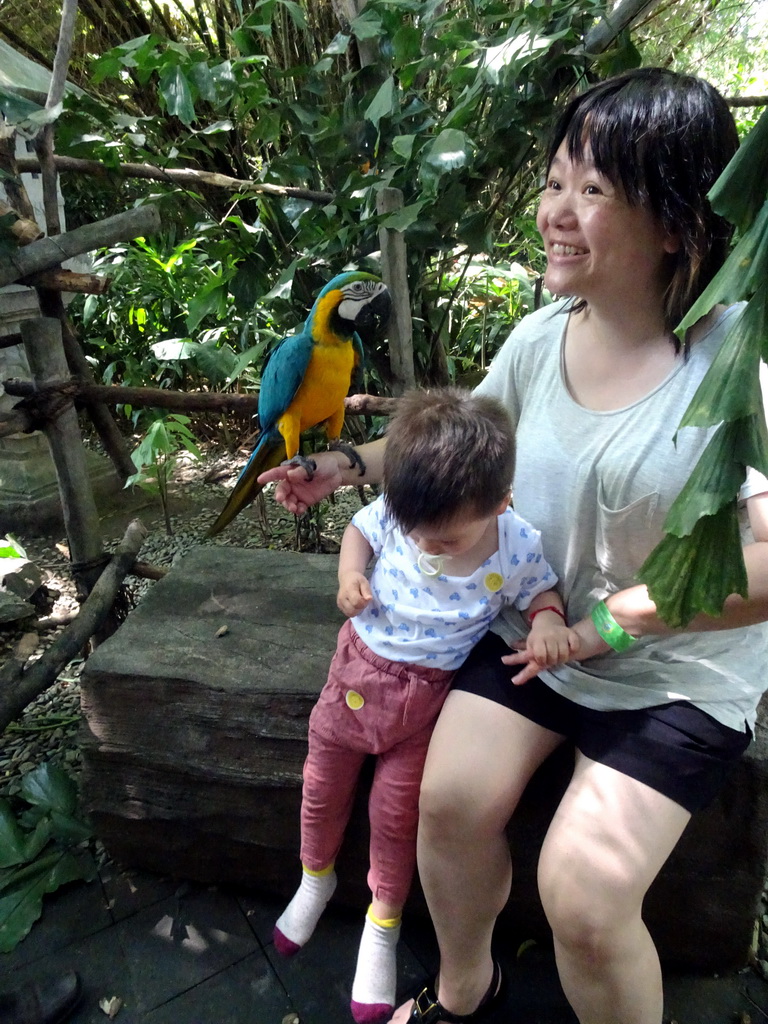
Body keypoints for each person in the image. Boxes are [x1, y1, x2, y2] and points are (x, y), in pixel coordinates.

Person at [260, 67, 768, 1024]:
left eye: (594, 191)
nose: (556, 213)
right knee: (445, 806)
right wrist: (347, 467)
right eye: (555, 182)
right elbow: (453, 446)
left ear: (677, 222)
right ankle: (464, 991)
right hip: (536, 640)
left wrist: (615, 625)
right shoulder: (539, 340)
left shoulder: (741, 355)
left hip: (677, 672)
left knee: (582, 893)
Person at [272, 387, 578, 1024]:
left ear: (500, 503)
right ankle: (314, 879)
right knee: (322, 783)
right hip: (356, 671)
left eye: (444, 540)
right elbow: (361, 528)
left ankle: (380, 927)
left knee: (396, 818)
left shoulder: (513, 545)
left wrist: (548, 622)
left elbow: (541, 591)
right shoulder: (403, 511)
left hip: (427, 702)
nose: (427, 548)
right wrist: (348, 576)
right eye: (417, 536)